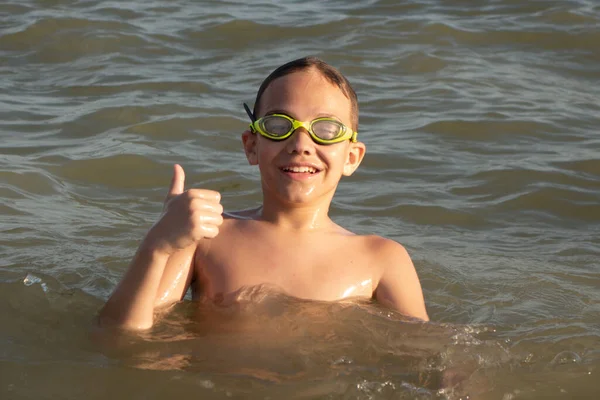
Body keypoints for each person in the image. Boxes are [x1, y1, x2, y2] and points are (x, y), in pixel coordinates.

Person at [99, 56, 429, 330]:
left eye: (326, 130)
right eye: (279, 126)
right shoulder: (207, 238)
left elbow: (428, 357)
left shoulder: (381, 259)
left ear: (352, 157)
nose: (301, 145)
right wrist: (157, 245)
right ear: (252, 146)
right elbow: (124, 341)